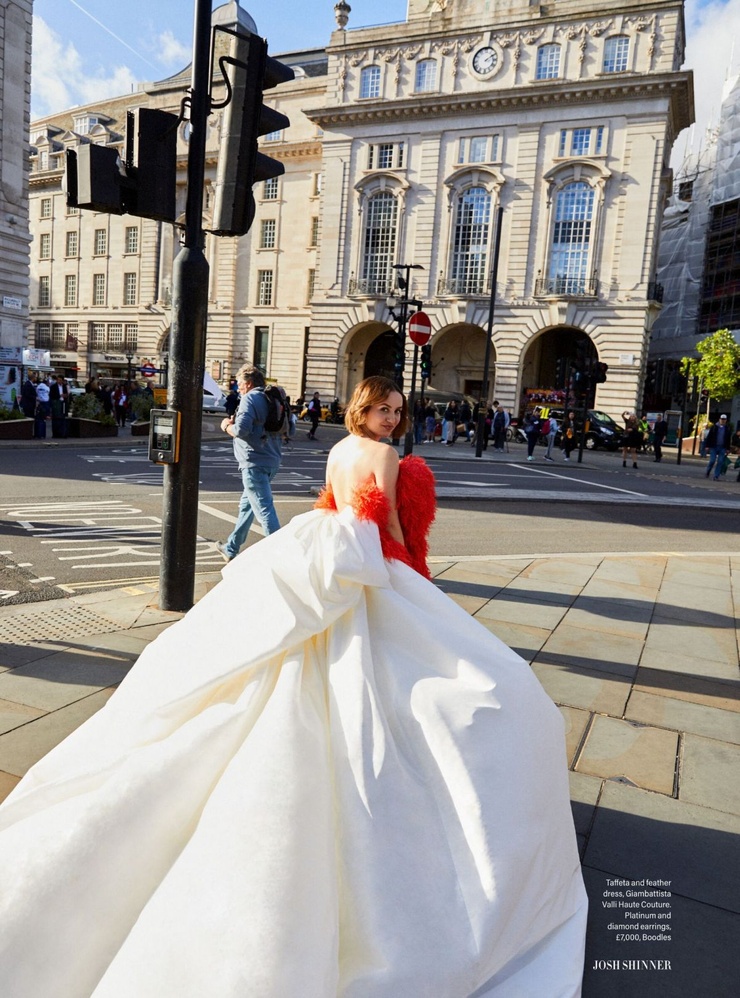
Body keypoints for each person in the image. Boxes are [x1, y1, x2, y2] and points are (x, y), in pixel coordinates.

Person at [0, 375, 587, 996]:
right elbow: (387, 519)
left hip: (324, 548)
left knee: (297, 654)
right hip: (369, 557)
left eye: (397, 411)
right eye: (382, 409)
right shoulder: (387, 455)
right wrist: (414, 565)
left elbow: (328, 504)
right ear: (363, 408)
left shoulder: (338, 448)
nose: (391, 419)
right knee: (436, 673)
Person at [217, 364, 289, 561]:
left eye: (239, 384)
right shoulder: (272, 397)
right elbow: (290, 426)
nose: (237, 388)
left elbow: (241, 430)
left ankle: (280, 557)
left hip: (253, 460)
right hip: (272, 458)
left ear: (248, 383)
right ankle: (231, 548)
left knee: (264, 509)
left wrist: (226, 426)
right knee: (247, 506)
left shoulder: (250, 398)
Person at [705, 414, 731, 481]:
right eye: (722, 419)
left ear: (726, 420)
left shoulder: (727, 428)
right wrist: (707, 446)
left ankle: (716, 475)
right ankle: (708, 471)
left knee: (720, 462)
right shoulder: (714, 427)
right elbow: (709, 437)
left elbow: (728, 439)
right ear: (719, 419)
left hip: (722, 447)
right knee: (712, 461)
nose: (723, 420)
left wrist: (728, 448)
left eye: (724, 419)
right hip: (714, 446)